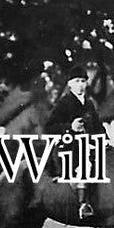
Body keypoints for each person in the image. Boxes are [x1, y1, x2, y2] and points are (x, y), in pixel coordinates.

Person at [45, 65, 102, 218]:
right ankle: (84, 205)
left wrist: (106, 139)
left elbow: (98, 126)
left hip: (89, 146)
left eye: (83, 81)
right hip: (68, 148)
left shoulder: (89, 104)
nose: (81, 85)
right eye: (77, 81)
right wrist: (70, 127)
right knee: (85, 165)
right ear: (70, 84)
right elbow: (48, 127)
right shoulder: (64, 102)